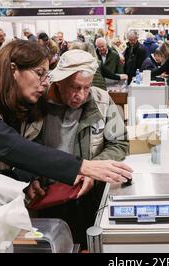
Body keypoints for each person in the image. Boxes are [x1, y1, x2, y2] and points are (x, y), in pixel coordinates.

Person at [0, 39, 133, 198]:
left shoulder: (21, 106)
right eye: (40, 74)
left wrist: (29, 178)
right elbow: (13, 147)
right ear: (14, 70)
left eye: (47, 75)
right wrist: (84, 166)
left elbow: (24, 157)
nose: (45, 83)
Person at [39, 49, 129, 245]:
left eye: (86, 87)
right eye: (74, 87)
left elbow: (119, 142)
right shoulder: (39, 103)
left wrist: (91, 168)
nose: (80, 95)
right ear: (59, 82)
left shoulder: (102, 100)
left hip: (87, 195)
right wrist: (31, 177)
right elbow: (24, 147)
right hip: (48, 195)